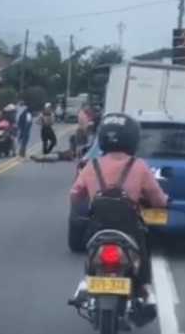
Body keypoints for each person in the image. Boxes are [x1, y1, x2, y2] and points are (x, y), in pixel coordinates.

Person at [70, 113, 168, 310]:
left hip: (97, 226)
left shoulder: (92, 164)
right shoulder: (139, 166)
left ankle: (86, 282)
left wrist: (87, 200)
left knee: (91, 251)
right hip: (129, 228)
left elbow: (74, 195)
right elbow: (157, 198)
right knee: (143, 250)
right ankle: (145, 290)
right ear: (133, 139)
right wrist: (164, 202)